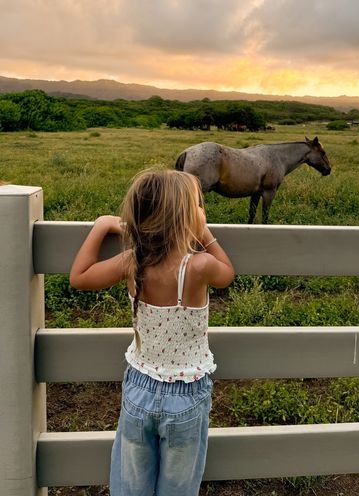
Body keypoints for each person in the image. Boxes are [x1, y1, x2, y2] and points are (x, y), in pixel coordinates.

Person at [70, 168, 235, 496]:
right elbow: (227, 273)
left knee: (132, 482)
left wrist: (103, 225)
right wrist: (205, 233)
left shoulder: (133, 261)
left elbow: (80, 277)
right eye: (196, 206)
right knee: (177, 485)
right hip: (187, 394)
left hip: (139, 389)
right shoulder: (199, 266)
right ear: (184, 218)